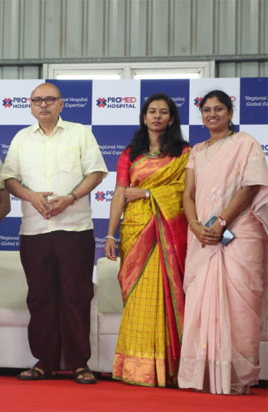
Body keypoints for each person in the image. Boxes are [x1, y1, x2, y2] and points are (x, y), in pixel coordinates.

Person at [1, 82, 107, 384]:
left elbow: (96, 172)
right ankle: (44, 361)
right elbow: (9, 178)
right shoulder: (22, 138)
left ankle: (79, 363)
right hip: (35, 231)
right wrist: (31, 196)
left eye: (50, 100)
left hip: (74, 229)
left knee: (77, 296)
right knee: (40, 298)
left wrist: (70, 198)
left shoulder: (79, 133)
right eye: (37, 100)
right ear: (31, 106)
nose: (43, 105)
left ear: (61, 104)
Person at [178, 90, 268, 395]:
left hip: (240, 234)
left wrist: (222, 222)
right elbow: (187, 195)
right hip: (202, 236)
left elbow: (251, 186)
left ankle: (236, 377)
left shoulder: (246, 144)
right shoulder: (197, 151)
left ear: (230, 113)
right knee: (201, 300)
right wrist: (195, 226)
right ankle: (201, 375)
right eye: (206, 110)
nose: (212, 114)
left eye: (219, 109)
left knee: (240, 305)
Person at [104, 93, 190, 387]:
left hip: (166, 229)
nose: (156, 116)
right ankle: (135, 367)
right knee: (138, 298)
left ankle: (166, 368)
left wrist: (148, 193)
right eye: (151, 111)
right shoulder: (130, 154)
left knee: (164, 296)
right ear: (143, 117)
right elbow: (119, 194)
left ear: (172, 118)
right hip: (136, 229)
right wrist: (110, 233)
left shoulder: (183, 153)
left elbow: (185, 192)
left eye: (163, 112)